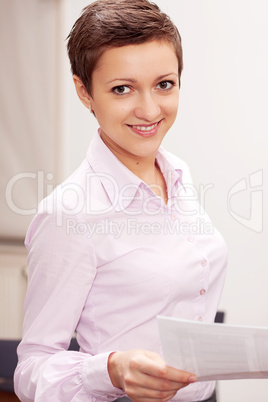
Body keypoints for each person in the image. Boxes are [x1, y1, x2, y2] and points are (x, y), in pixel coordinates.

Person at [14, 0, 227, 401]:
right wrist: (110, 369)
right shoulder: (70, 214)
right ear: (84, 91)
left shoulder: (178, 174)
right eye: (122, 88)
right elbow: (32, 370)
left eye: (164, 84)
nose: (149, 110)